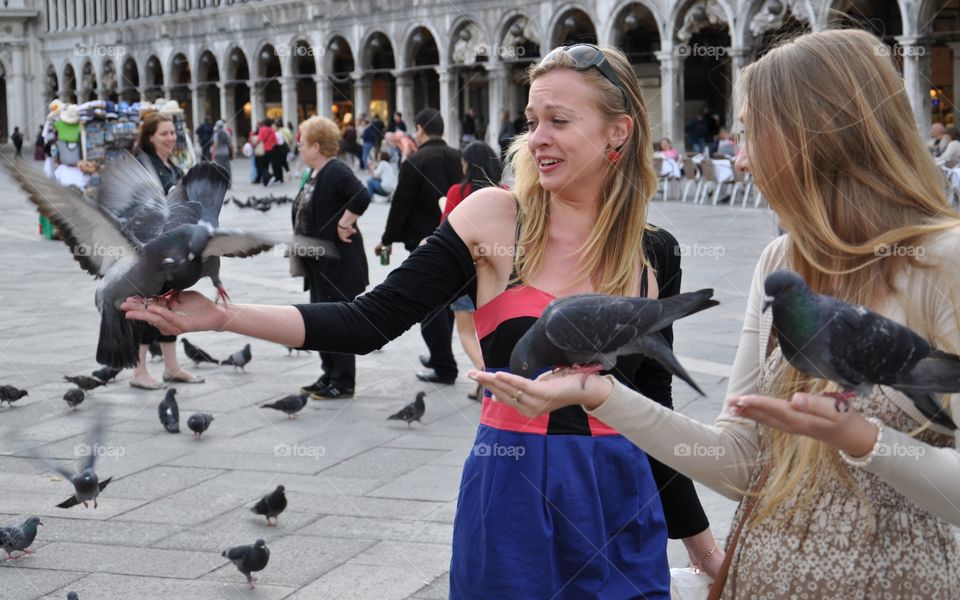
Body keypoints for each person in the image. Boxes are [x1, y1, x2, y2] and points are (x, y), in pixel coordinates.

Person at [122, 44, 720, 599]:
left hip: (622, 498)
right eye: (532, 121)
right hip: (515, 493)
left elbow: (653, 406)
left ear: (619, 132)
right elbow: (367, 321)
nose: (537, 138)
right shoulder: (493, 218)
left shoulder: (653, 252)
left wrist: (704, 548)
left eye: (559, 122)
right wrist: (223, 318)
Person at [477, 30, 960, 599]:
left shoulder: (943, 261)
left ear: (819, 135)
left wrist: (863, 439)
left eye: (755, 132)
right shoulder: (781, 262)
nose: (743, 156)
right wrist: (601, 395)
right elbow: (739, 461)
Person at [376, 108, 462, 385]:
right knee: (447, 303)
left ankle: (444, 365)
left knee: (430, 306)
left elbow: (400, 206)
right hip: (459, 240)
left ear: (421, 129)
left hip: (427, 243)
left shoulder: (415, 161)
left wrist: (387, 239)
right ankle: (440, 355)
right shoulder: (457, 157)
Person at [292, 116, 371, 400]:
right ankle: (328, 373)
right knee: (321, 319)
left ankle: (343, 381)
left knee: (338, 321)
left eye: (302, 142)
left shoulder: (335, 170)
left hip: (338, 264)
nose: (299, 147)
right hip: (318, 263)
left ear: (316, 146)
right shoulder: (314, 173)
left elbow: (361, 196)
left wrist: (343, 223)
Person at [129, 111, 203, 389]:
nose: (171, 138)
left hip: (170, 248)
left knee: (169, 303)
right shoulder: (143, 166)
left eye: (173, 132)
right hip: (148, 250)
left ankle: (171, 367)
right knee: (147, 307)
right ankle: (139, 371)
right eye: (164, 133)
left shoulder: (169, 165)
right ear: (150, 137)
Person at [440, 141, 503, 400]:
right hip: (494, 274)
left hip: (462, 274)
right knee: (489, 332)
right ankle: (489, 379)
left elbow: (445, 231)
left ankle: (487, 378)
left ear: (468, 163)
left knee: (466, 332)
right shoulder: (503, 193)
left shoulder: (458, 191)